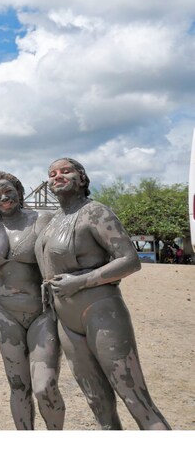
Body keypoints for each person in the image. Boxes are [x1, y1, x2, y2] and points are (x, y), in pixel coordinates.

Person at [35, 158, 170, 430]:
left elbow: (130, 260)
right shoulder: (51, 221)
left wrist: (81, 281)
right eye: (52, 174)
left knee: (134, 398)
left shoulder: (96, 213)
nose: (57, 176)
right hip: (67, 321)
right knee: (97, 400)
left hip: (100, 312)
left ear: (82, 178)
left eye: (65, 171)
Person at [0, 171, 65, 429]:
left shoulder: (41, 219)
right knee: (18, 386)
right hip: (5, 314)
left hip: (42, 312)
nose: (4, 197)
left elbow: (66, 251)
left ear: (19, 191)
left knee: (44, 386)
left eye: (9, 191)